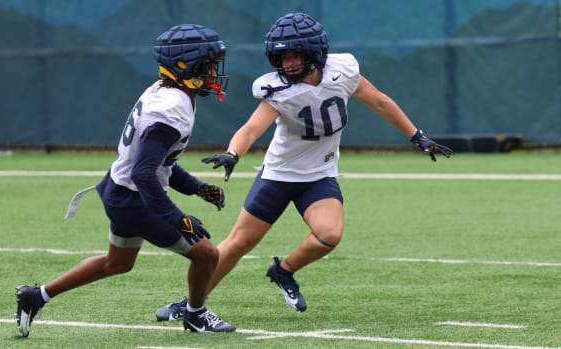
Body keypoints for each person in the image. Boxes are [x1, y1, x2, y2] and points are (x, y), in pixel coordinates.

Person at [155, 12, 453, 320]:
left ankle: (283, 270)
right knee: (237, 244)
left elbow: (380, 101)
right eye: (282, 57)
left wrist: (417, 137)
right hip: (278, 176)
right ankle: (189, 304)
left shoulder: (343, 71)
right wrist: (233, 154)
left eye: (294, 55)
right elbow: (252, 128)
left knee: (329, 235)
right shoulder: (277, 89)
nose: (288, 64)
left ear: (315, 52)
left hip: (319, 175)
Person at [14, 23, 237, 337]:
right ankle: (196, 314)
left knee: (117, 263)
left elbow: (159, 164)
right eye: (208, 66)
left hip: (119, 191)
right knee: (207, 254)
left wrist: (196, 188)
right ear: (184, 66)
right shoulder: (172, 107)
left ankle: (36, 297)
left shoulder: (166, 92)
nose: (213, 74)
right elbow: (144, 173)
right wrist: (178, 218)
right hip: (134, 199)